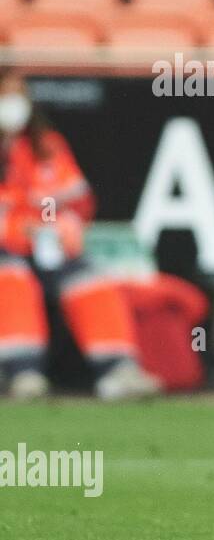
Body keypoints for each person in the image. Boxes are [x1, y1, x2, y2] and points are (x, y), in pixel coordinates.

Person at [0, 69, 160, 400]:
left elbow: (78, 203)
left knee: (91, 280)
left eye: (16, 93)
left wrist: (65, 228)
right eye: (4, 93)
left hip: (49, 249)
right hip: (7, 249)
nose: (11, 102)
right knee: (10, 279)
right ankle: (22, 372)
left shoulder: (45, 146)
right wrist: (18, 230)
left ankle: (118, 370)